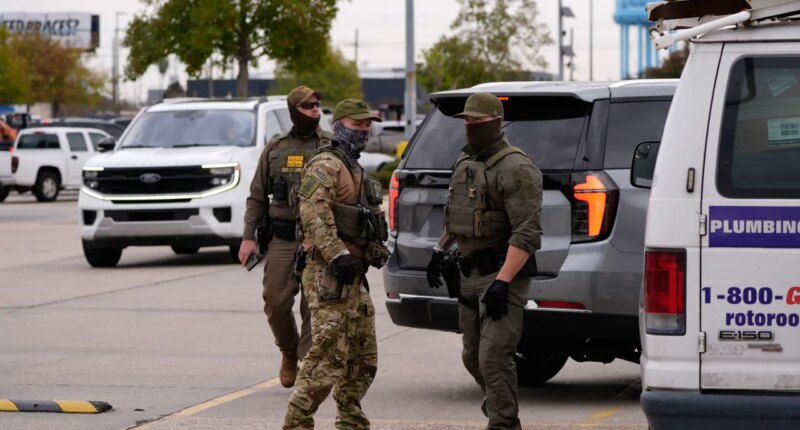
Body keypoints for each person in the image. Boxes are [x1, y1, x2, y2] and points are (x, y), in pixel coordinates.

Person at [426, 92, 543, 430]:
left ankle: (503, 423)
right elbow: (460, 216)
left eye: (477, 120)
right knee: (472, 355)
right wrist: (439, 250)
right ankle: (498, 403)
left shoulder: (516, 167)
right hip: (469, 274)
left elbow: (527, 233)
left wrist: (503, 283)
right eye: (466, 120)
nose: (470, 125)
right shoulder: (466, 162)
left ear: (496, 121)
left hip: (502, 273)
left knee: (494, 357)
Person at [283, 98, 389, 430]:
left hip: (354, 275)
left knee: (362, 358)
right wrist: (337, 254)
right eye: (357, 125)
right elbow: (314, 214)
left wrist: (375, 248)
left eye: (367, 125)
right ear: (339, 125)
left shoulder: (355, 168)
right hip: (328, 274)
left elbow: (364, 218)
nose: (364, 131)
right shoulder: (324, 165)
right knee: (326, 358)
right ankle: (297, 423)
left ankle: (351, 421)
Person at [239, 85, 332, 388]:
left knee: (313, 305)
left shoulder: (331, 146)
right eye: (308, 106)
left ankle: (307, 362)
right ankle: (288, 351)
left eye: (317, 105)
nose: (315, 110)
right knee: (275, 301)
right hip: (283, 237)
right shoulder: (275, 148)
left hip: (319, 238)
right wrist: (248, 237)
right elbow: (256, 197)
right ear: (294, 110)